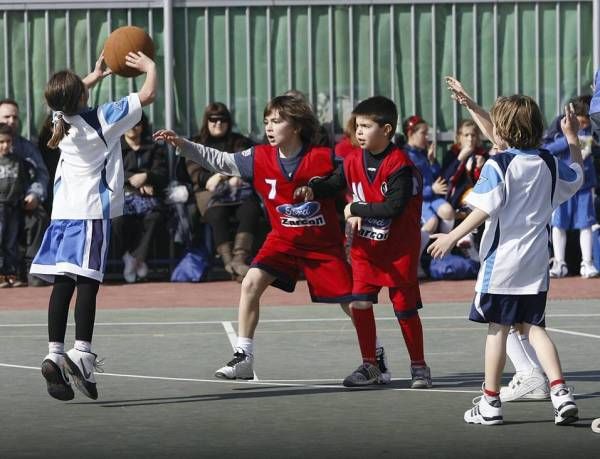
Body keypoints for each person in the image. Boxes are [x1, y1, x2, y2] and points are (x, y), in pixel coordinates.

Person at [154, 95, 389, 383]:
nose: (269, 127)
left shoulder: (323, 158)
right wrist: (183, 144)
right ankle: (243, 357)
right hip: (282, 240)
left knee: (352, 303)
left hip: (322, 244)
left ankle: (375, 358)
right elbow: (222, 161)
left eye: (277, 121)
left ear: (296, 126)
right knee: (251, 282)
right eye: (266, 121)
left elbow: (358, 175)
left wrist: (357, 207)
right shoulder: (259, 157)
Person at [428, 94, 582, 426]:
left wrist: (452, 236)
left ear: (501, 131)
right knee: (534, 328)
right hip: (536, 264)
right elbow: (578, 175)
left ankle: (490, 403)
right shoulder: (549, 163)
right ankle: (561, 393)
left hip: (501, 266)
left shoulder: (498, 165)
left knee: (497, 330)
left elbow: (484, 208)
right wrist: (572, 140)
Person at [30, 51, 156, 401]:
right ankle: (82, 352)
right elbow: (146, 95)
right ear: (81, 97)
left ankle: (54, 353)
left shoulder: (61, 121)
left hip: (62, 215)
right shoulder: (102, 120)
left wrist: (94, 76)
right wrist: (150, 68)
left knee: (62, 282)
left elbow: (67, 99)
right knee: (88, 283)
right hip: (90, 214)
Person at [304, 96, 432, 388]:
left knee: (404, 309)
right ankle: (370, 365)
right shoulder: (351, 161)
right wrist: (311, 187)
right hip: (366, 250)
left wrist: (354, 209)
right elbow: (335, 183)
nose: (358, 132)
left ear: (386, 130)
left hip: (399, 251)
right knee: (359, 303)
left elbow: (393, 207)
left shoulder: (401, 166)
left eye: (365, 126)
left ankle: (419, 366)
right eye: (356, 126)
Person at [187, 102, 261, 281]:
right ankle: (229, 264)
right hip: (210, 195)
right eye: (213, 119)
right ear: (207, 121)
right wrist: (226, 176)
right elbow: (197, 175)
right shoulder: (196, 143)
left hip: (238, 192)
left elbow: (245, 165)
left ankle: (239, 260)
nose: (218, 123)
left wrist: (220, 176)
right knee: (217, 215)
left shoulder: (239, 141)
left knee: (251, 210)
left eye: (222, 120)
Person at [544, 96, 599, 278]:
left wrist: (591, 143)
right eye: (580, 122)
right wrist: (570, 138)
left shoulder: (593, 131)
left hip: (584, 185)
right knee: (558, 223)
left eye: (585, 123)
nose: (583, 126)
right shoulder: (559, 128)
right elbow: (547, 148)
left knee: (586, 223)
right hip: (562, 183)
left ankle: (587, 263)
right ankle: (559, 263)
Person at [112, 113, 169, 283]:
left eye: (137, 124)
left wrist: (147, 177)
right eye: (129, 124)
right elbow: (111, 174)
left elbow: (162, 174)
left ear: (142, 126)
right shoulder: (115, 148)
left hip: (149, 199)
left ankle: (135, 259)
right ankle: (130, 257)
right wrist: (133, 180)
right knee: (118, 220)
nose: (133, 128)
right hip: (123, 197)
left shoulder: (154, 148)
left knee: (154, 217)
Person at [0, 99, 51, 286]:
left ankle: (33, 271)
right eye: (6, 117)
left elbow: (41, 174)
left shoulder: (27, 147)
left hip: (20, 203)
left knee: (39, 219)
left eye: (15, 117)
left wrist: (35, 195)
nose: (11, 121)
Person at [402, 115, 455, 274]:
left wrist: (432, 161)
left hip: (431, 197)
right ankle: (414, 263)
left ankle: (444, 253)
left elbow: (435, 176)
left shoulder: (423, 153)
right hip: (419, 199)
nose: (427, 137)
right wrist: (431, 189)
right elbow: (411, 187)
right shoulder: (406, 155)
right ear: (411, 133)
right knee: (431, 221)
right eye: (423, 133)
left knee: (448, 211)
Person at [0, 123, 33, 288]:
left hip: (13, 206)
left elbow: (24, 180)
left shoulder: (17, 161)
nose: (5, 145)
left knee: (11, 242)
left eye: (8, 141)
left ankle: (11, 274)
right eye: (1, 142)